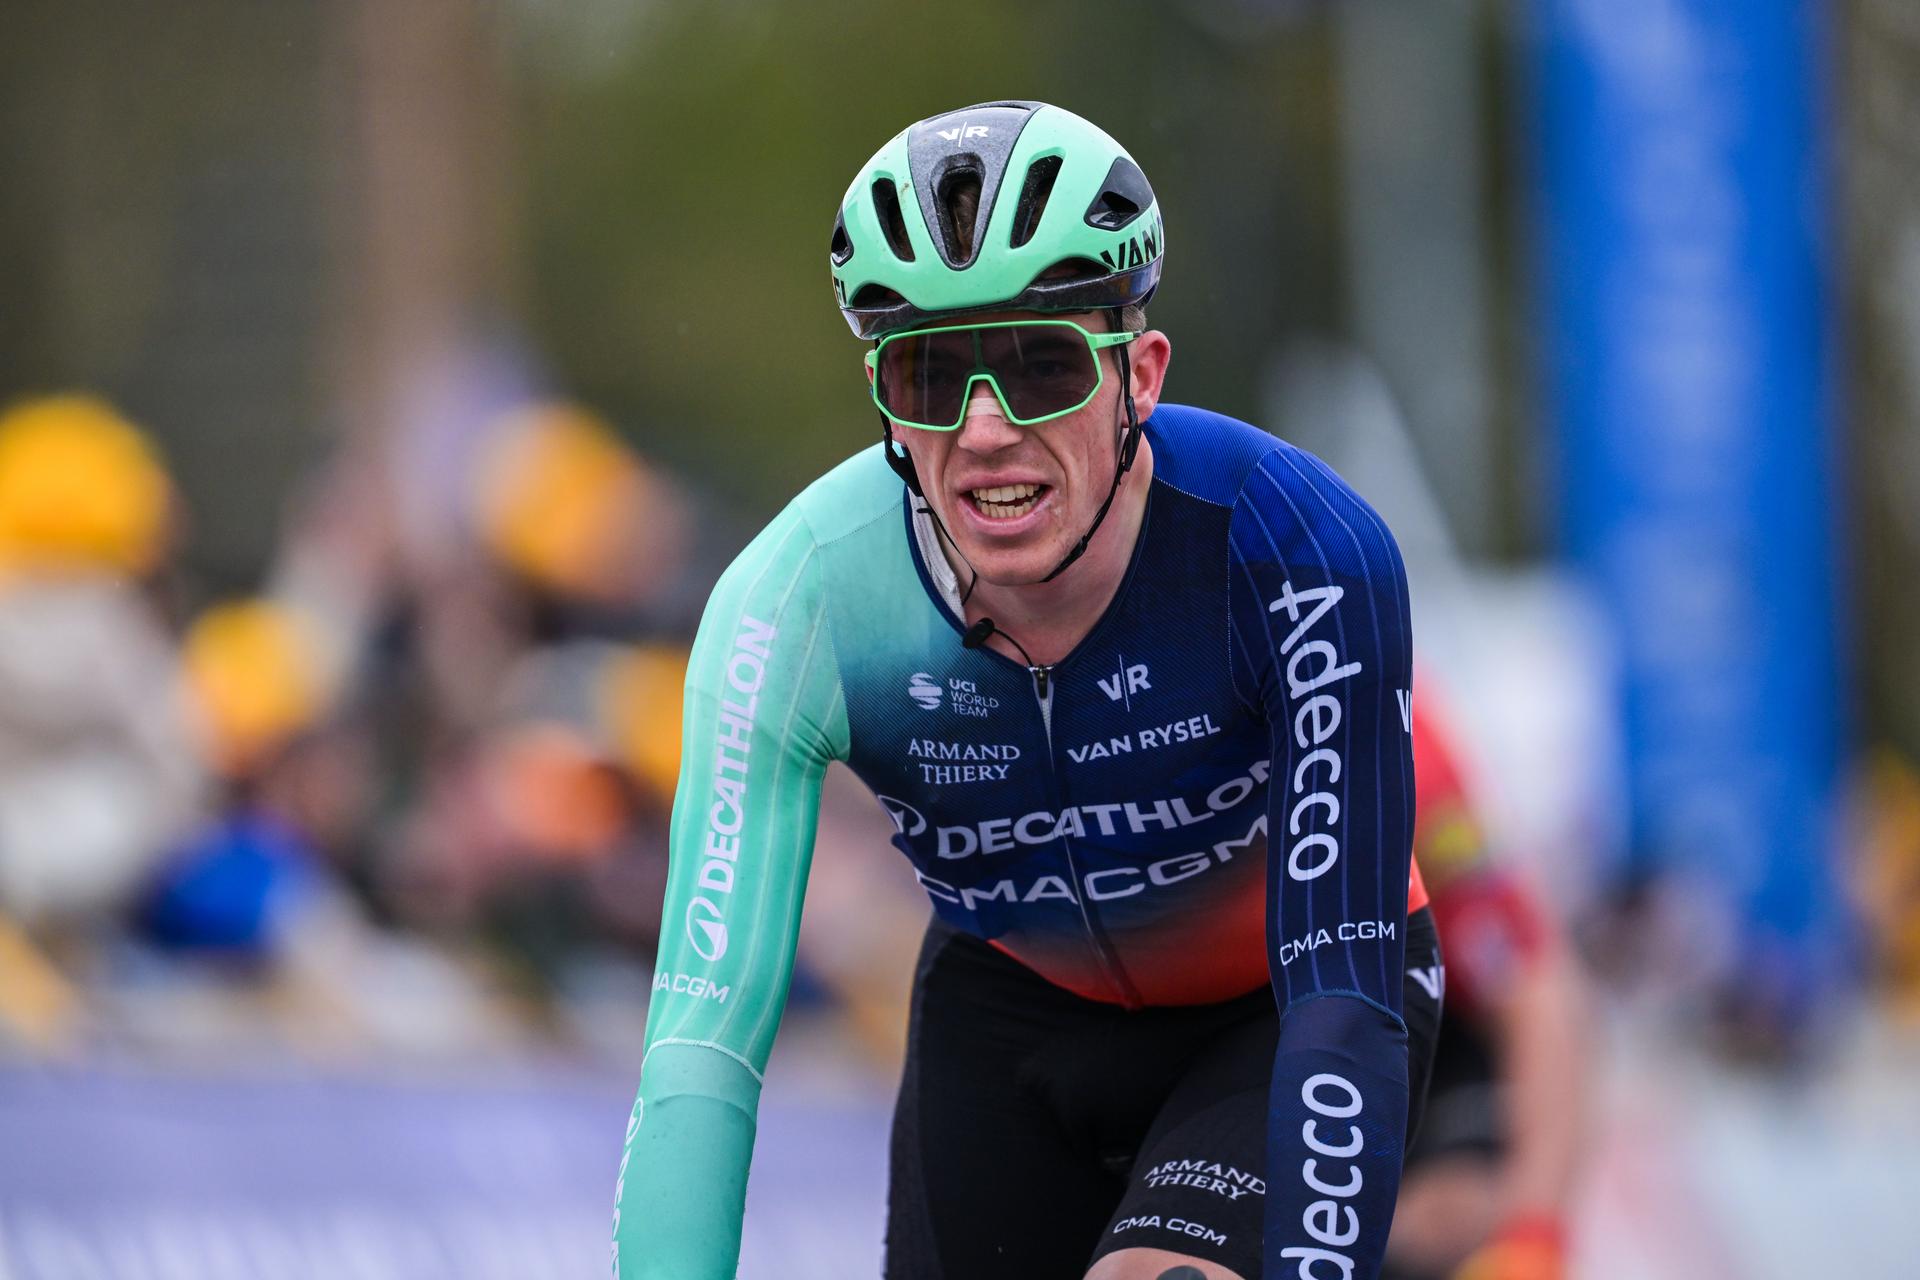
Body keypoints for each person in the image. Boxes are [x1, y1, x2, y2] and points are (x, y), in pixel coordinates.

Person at [614, 100, 1440, 1280]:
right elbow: (701, 1046)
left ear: (1137, 375)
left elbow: (1340, 1002)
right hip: (1008, 1009)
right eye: (931, 373)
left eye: (1042, 365)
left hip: (1277, 1002)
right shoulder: (799, 602)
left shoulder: (1295, 549)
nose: (986, 427)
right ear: (885, 399)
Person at [1384, 691, 1588, 1280]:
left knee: (1454, 1214)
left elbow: (1537, 993)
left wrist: (1534, 1233)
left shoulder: (1396, 737)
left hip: (1424, 1046)